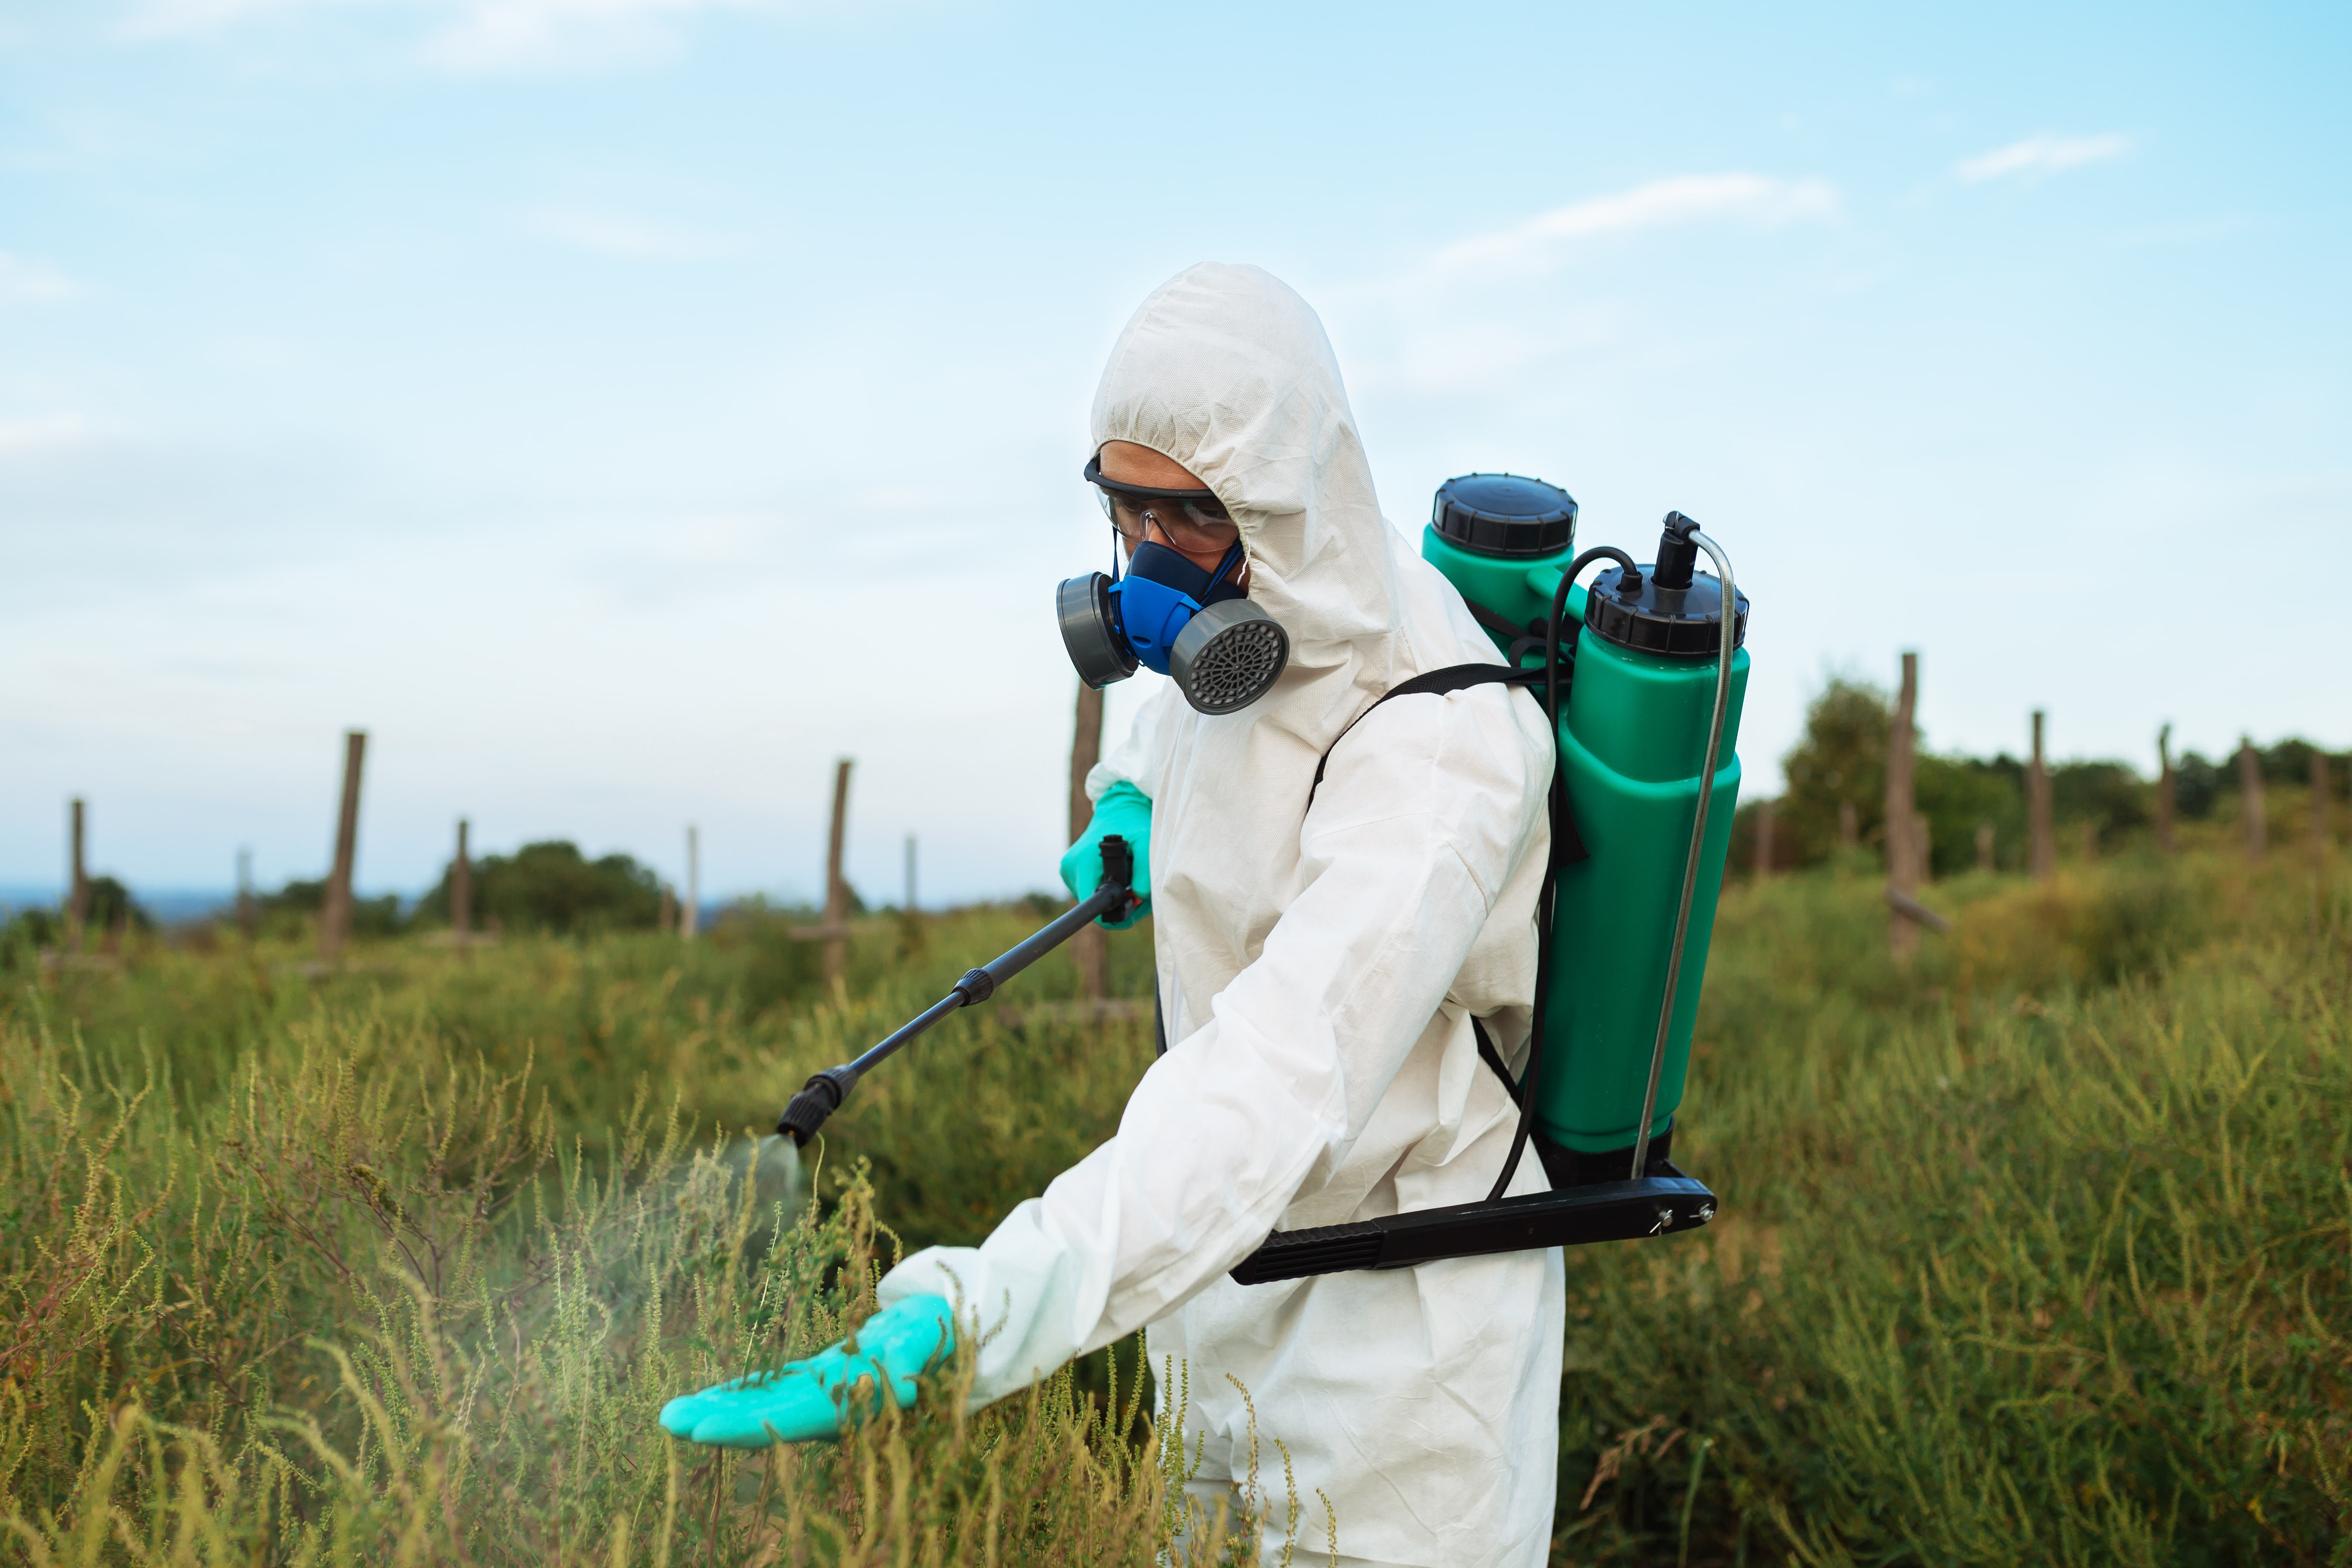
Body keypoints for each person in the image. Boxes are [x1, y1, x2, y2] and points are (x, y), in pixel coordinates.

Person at [662, 263, 1563, 1567]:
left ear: (1285, 500)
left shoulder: (1443, 749)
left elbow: (1276, 1079)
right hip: (1212, 1284)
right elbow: (1184, 719)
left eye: (1188, 521)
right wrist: (1131, 796)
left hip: (1397, 1352)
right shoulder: (1253, 633)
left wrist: (982, 1311)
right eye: (1122, 513)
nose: (1149, 569)